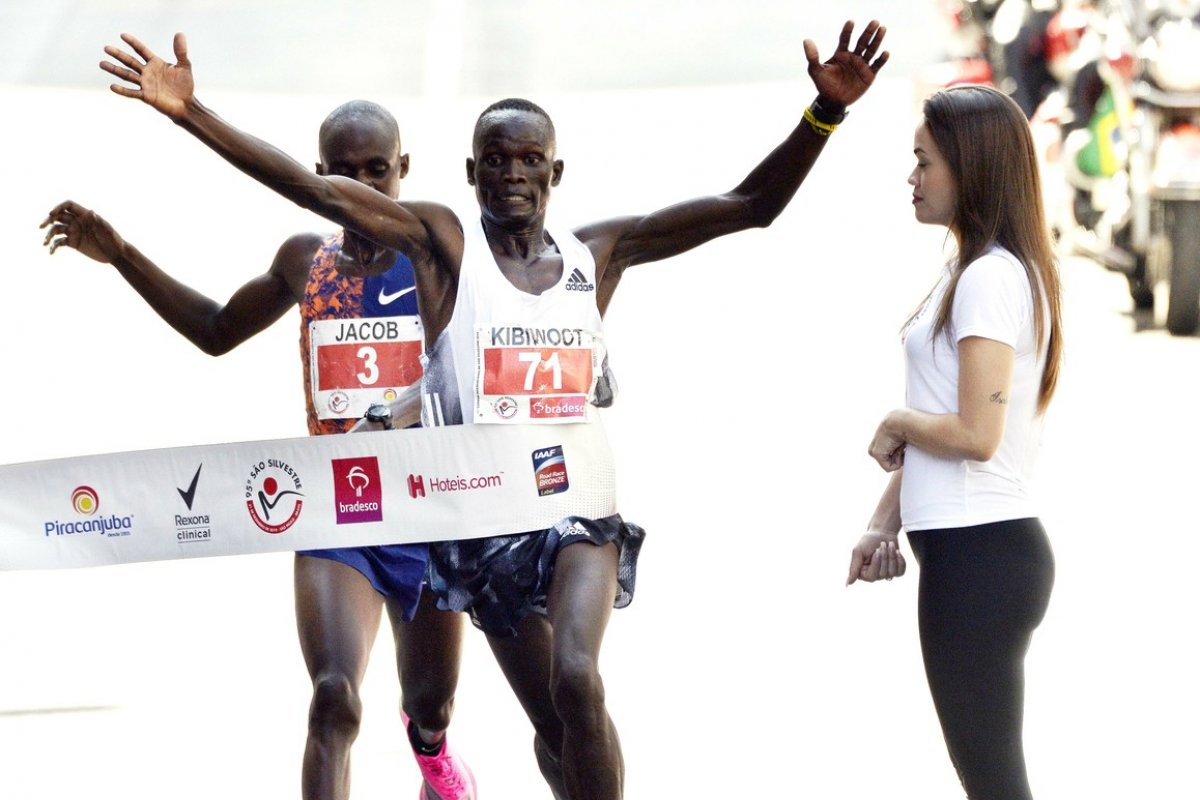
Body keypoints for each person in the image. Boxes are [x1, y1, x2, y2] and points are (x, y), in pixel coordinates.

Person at [97, 21, 889, 799]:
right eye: (497, 162)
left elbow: (749, 203)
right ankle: (483, 762)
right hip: (474, 524)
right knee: (515, 718)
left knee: (576, 682)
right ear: (471, 175)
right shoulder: (442, 249)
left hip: (574, 513)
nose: (514, 174)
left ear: (556, 170)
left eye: (531, 160)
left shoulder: (597, 254)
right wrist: (192, 113)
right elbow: (307, 192)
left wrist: (823, 115)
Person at [39, 100, 476, 800]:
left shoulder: (433, 257)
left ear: (404, 171)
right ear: (319, 176)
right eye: (344, 172)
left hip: (430, 516)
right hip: (337, 513)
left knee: (432, 703)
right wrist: (121, 254)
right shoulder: (308, 263)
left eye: (378, 171)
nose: (362, 186)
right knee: (334, 696)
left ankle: (432, 751)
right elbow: (215, 329)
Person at [846, 84, 1064, 800]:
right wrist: (884, 520)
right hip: (974, 553)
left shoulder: (989, 279)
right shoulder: (972, 272)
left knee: (996, 785)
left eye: (923, 161)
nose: (910, 177)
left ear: (968, 170)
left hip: (983, 557)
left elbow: (975, 433)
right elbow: (953, 417)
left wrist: (897, 421)